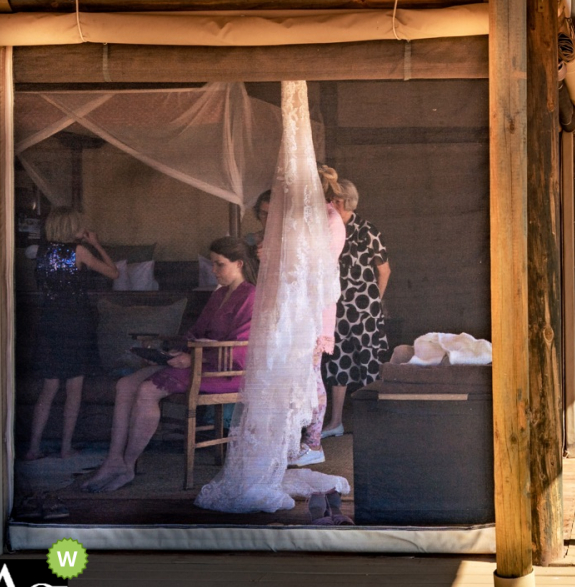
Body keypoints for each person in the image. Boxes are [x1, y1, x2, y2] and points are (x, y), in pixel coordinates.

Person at [83, 237, 256, 493]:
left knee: (146, 391)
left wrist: (195, 357)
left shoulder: (250, 295)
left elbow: (241, 349)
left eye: (220, 265)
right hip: (197, 362)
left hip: (223, 372)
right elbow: (196, 331)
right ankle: (113, 460)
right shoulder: (219, 293)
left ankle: (127, 465)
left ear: (239, 263)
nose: (214, 270)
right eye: (213, 264)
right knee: (125, 384)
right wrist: (173, 351)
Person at [24, 210, 120, 461]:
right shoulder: (79, 251)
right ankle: (66, 447)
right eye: (80, 225)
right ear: (71, 227)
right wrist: (96, 243)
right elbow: (114, 273)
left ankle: (33, 447)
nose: (84, 228)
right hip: (75, 322)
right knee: (74, 386)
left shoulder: (41, 252)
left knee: (49, 386)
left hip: (49, 321)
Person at [321, 176, 390, 438]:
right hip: (338, 307)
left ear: (345, 202)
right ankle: (335, 421)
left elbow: (384, 270)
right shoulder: (329, 229)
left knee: (369, 363)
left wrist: (374, 301)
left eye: (335, 200)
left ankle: (374, 424)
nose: (331, 204)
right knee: (339, 362)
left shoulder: (367, 230)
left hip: (365, 310)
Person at [290, 165, 350, 467]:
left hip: (315, 306)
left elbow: (317, 267)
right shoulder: (311, 219)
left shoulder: (329, 220)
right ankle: (297, 440)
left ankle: (313, 443)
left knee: (312, 373)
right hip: (300, 305)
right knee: (297, 375)